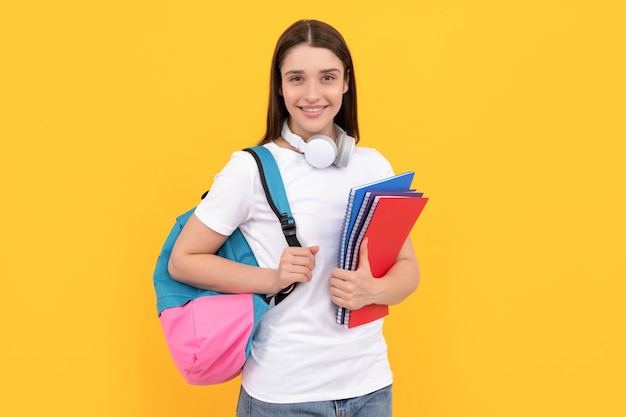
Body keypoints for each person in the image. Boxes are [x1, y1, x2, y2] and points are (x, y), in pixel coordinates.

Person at [168, 19, 420, 417]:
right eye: (297, 78)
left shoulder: (373, 166)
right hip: (284, 395)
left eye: (328, 77)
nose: (313, 94)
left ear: (346, 83)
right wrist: (273, 277)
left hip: (370, 387)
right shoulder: (250, 169)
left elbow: (407, 268)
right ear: (280, 87)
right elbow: (183, 261)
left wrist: (373, 291)